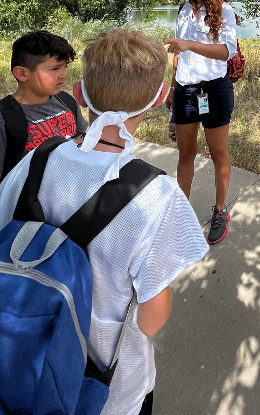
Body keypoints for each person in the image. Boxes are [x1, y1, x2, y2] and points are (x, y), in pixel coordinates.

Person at [0, 29, 209, 415]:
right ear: (160, 97)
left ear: (79, 94)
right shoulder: (158, 196)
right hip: (106, 388)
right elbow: (151, 318)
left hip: (24, 359)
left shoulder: (38, 160)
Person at [163, 0, 238, 244]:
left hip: (214, 91)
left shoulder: (224, 11)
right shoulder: (184, 9)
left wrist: (190, 44)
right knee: (185, 154)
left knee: (219, 154)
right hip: (185, 91)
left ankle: (220, 211)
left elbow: (225, 51)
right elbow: (179, 55)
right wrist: (172, 89)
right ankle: (181, 212)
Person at [0, 30, 87, 180]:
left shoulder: (66, 101)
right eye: (55, 68)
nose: (63, 74)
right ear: (21, 73)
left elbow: (80, 137)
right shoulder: (5, 117)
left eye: (65, 67)